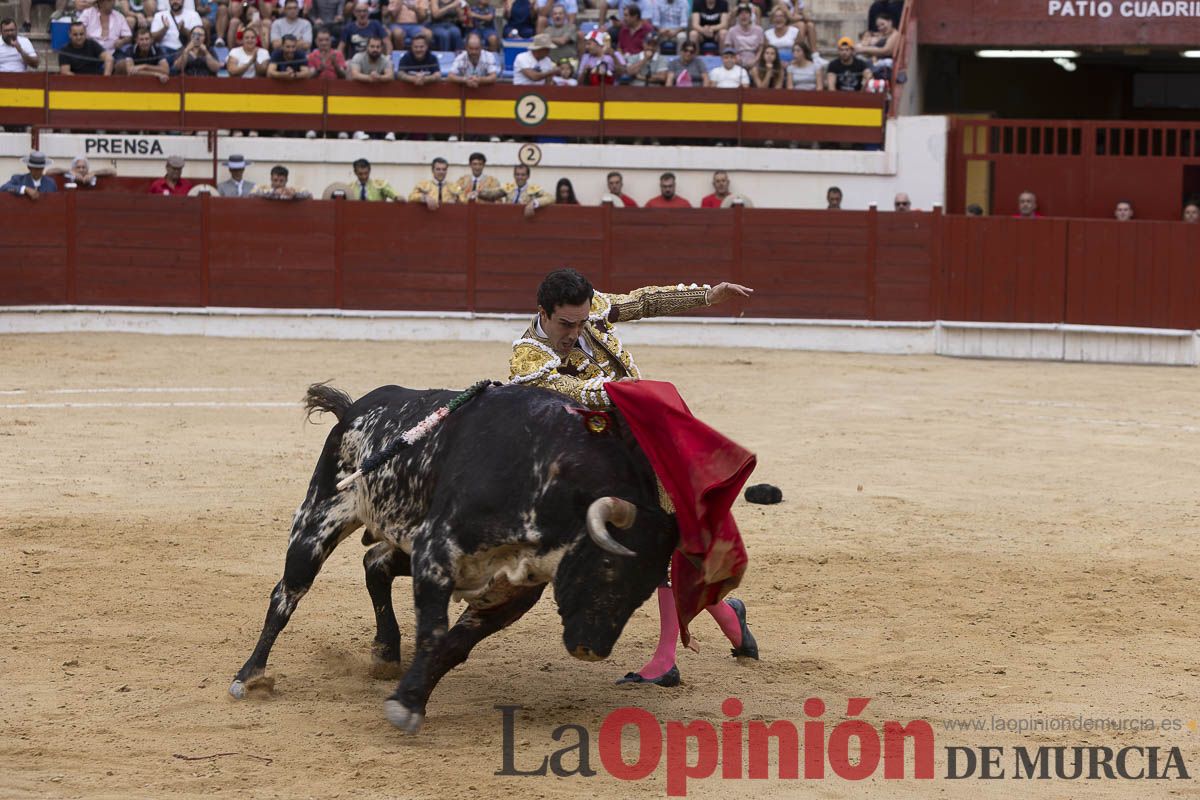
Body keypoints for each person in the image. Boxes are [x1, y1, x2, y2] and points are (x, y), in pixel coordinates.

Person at [508, 268, 758, 686]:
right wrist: (626, 391)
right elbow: (573, 394)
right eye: (566, 325)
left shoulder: (592, 311)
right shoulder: (527, 359)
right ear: (543, 314)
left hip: (646, 435)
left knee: (667, 534)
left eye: (582, 321)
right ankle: (727, 618)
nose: (575, 331)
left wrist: (708, 296)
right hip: (596, 458)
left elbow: (644, 301)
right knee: (666, 535)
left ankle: (670, 657)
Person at [724, 3, 762, 68]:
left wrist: (755, 60)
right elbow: (729, 48)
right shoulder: (732, 30)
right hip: (737, 59)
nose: (744, 15)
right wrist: (736, 57)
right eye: (741, 13)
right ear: (737, 17)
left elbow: (761, 49)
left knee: (755, 71)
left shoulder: (758, 30)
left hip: (755, 60)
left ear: (750, 16)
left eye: (746, 13)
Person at [47, 155, 116, 189]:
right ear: (73, 169)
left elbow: (113, 172)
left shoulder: (92, 176)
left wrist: (94, 172)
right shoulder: (68, 175)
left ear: (87, 169)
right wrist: (69, 171)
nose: (81, 170)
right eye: (78, 167)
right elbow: (48, 172)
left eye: (83, 167)